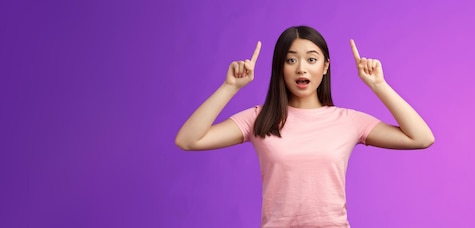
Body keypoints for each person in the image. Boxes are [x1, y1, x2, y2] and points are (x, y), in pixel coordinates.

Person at [176, 25, 434, 228]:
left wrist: (379, 85)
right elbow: (188, 140)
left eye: (311, 59)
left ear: (325, 67)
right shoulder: (259, 118)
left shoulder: (348, 120)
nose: (302, 68)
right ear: (280, 68)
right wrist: (229, 87)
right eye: (291, 60)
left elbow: (421, 138)